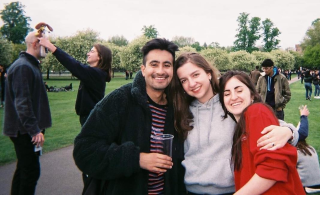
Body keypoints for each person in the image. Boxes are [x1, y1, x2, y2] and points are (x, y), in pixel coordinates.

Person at [171, 52, 297, 195]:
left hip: (233, 191)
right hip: (192, 191)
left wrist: (290, 131)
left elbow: (269, 124)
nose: (191, 83)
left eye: (195, 75)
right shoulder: (181, 110)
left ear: (208, 74)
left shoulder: (230, 102)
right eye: (184, 80)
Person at [73, 38, 186, 195]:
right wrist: (136, 159)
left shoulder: (177, 106)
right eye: (154, 64)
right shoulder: (120, 100)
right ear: (143, 69)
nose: (160, 71)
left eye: (167, 65)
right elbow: (84, 150)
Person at [219, 71, 305, 195]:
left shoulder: (256, 112)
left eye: (239, 91)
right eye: (227, 94)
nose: (233, 97)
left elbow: (273, 168)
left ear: (252, 95)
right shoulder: (240, 128)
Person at [3, 32, 52, 195]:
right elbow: (22, 103)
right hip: (24, 131)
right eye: (44, 43)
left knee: (23, 170)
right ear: (35, 44)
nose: (47, 47)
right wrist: (35, 130)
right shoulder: (23, 66)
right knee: (30, 173)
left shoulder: (30, 64)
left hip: (26, 130)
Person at [38, 38, 112, 127]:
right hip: (91, 117)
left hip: (92, 119)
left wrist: (50, 47)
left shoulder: (96, 74)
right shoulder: (94, 73)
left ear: (100, 57)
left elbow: (73, 65)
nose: (88, 53)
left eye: (92, 51)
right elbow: (75, 64)